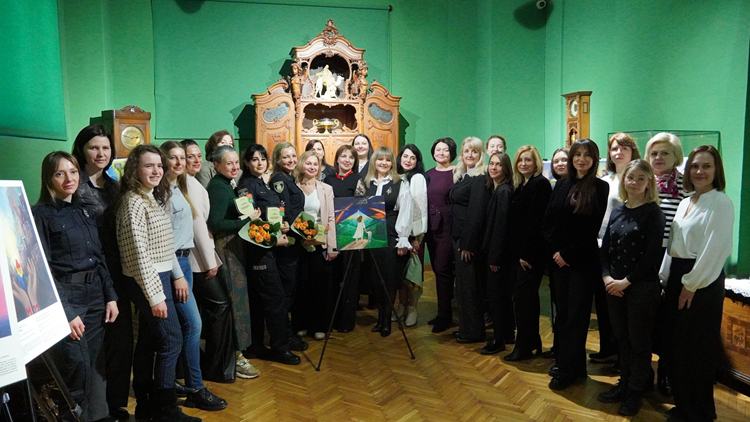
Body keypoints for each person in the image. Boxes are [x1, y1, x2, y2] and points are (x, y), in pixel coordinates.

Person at [115, 145, 200, 422]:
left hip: (160, 276)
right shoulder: (133, 202)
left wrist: (176, 275)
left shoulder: (150, 196)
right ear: (135, 169)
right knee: (172, 340)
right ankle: (166, 410)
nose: (156, 171)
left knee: (149, 341)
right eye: (148, 165)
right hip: (147, 281)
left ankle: (146, 406)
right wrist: (155, 296)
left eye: (159, 166)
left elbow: (165, 246)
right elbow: (138, 255)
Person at [33, 151, 119, 422]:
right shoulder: (41, 215)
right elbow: (43, 270)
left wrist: (111, 296)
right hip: (69, 298)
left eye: (72, 172)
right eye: (60, 173)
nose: (68, 178)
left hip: (96, 296)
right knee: (76, 368)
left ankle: (96, 417)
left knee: (94, 365)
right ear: (49, 178)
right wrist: (67, 313)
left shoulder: (84, 211)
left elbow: (98, 256)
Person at [660, 145, 734, 422]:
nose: (700, 171)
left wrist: (691, 284)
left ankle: (698, 412)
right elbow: (674, 245)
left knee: (696, 349)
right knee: (678, 347)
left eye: (706, 166)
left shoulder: (720, 202)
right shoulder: (686, 202)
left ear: (717, 171)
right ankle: (685, 406)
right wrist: (666, 278)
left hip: (701, 281)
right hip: (679, 276)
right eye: (695, 166)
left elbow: (715, 248)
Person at [70, 124, 131, 421]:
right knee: (97, 345)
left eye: (105, 147)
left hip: (117, 269)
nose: (100, 153)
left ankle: (116, 402)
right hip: (90, 272)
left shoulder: (114, 185)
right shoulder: (74, 185)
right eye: (94, 147)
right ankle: (97, 408)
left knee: (121, 340)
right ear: (82, 150)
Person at [160, 142, 227, 411]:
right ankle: (195, 388)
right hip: (174, 265)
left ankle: (182, 384)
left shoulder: (180, 186)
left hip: (185, 261)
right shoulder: (161, 192)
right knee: (193, 325)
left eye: (182, 158)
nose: (179, 163)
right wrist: (178, 274)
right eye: (173, 158)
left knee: (185, 327)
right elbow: (164, 240)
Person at [597, 159, 665, 416]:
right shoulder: (617, 210)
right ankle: (624, 384)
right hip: (614, 286)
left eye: (640, 178)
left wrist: (626, 281)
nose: (634, 182)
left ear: (649, 183)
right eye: (630, 177)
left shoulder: (653, 213)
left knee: (639, 342)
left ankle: (635, 391)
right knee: (622, 339)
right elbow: (605, 249)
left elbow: (651, 256)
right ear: (624, 180)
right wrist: (606, 277)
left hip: (640, 288)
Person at [544, 139, 609, 391]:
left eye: (587, 155)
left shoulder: (600, 187)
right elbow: (549, 220)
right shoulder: (561, 184)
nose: (581, 159)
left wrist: (567, 253)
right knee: (563, 314)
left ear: (594, 159)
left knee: (576, 317)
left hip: (582, 261)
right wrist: (555, 251)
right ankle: (572, 364)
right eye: (577, 154)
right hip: (558, 261)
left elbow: (590, 228)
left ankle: (568, 370)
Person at [236, 145, 300, 365]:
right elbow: (250, 223)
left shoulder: (263, 183)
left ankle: (256, 346)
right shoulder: (246, 186)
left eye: (262, 159)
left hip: (269, 250)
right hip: (260, 253)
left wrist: (280, 226)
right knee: (275, 300)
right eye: (254, 159)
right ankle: (281, 348)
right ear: (247, 162)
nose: (259, 163)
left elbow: (268, 216)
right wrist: (274, 238)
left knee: (261, 300)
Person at [179, 139, 234, 383]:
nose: (195, 160)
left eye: (197, 155)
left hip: (198, 256)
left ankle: (205, 364)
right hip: (196, 259)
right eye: (188, 156)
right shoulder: (186, 184)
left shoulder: (192, 183)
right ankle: (214, 367)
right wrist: (210, 260)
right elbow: (198, 224)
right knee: (220, 306)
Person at [206, 145, 261, 380]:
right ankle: (235, 357)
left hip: (234, 248)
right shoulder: (218, 187)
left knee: (239, 299)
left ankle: (237, 353)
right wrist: (246, 220)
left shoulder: (226, 184)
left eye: (236, 162)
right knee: (234, 300)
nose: (234, 167)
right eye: (229, 163)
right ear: (217, 165)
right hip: (226, 249)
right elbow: (216, 223)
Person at [645, 132, 688, 396]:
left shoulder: (686, 185)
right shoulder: (642, 180)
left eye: (665, 153)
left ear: (676, 156)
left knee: (669, 320)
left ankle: (666, 372)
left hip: (673, 257)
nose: (659, 157)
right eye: (654, 153)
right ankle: (642, 373)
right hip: (645, 257)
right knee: (645, 318)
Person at [592, 133, 641, 364]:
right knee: (604, 303)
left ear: (632, 152)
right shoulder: (606, 180)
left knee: (623, 307)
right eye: (614, 149)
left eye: (623, 148)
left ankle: (625, 358)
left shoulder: (635, 179)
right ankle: (607, 348)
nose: (618, 152)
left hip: (625, 250)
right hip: (603, 245)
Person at [504, 145, 552, 361]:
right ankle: (531, 340)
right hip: (518, 252)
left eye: (528, 160)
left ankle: (524, 345)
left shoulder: (540, 184)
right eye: (520, 160)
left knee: (524, 299)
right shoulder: (520, 185)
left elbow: (536, 222)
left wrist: (526, 254)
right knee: (525, 299)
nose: (523, 164)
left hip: (530, 254)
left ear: (536, 163)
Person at [363, 147, 413, 337]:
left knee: (389, 279)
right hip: (371, 235)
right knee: (376, 278)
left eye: (388, 160)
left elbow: (405, 210)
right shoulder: (366, 182)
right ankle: (379, 318)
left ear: (392, 163)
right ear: (374, 162)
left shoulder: (400, 183)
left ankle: (387, 320)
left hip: (392, 234)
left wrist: (403, 238)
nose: (384, 163)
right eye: (380, 159)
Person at [293, 151, 338, 340]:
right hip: (298, 243)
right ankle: (300, 324)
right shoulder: (293, 187)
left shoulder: (326, 189)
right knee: (300, 286)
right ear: (301, 165)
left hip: (320, 242)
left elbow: (331, 218)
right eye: (308, 163)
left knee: (320, 287)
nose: (312, 167)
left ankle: (319, 326)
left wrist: (332, 246)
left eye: (315, 164)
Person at [268, 142, 309, 352]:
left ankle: (286, 333)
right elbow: (283, 212)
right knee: (285, 293)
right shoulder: (279, 181)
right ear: (277, 159)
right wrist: (306, 231)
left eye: (293, 156)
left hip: (294, 242)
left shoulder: (289, 178)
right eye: (286, 157)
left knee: (290, 291)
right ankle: (283, 336)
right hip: (286, 243)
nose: (291, 160)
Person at [450, 137, 490, 344]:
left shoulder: (479, 178)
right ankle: (466, 328)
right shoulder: (463, 176)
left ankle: (473, 332)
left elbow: (476, 214)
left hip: (468, 242)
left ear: (481, 154)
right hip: (459, 237)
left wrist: (468, 244)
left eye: (474, 151)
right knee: (463, 288)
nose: (469, 155)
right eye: (466, 151)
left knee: (470, 287)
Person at [323, 145, 366, 333]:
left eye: (351, 157)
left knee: (349, 278)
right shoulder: (328, 179)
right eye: (344, 156)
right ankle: (331, 320)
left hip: (349, 234)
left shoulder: (358, 180)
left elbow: (361, 208)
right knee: (332, 278)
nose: (347, 160)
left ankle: (346, 321)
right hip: (330, 234)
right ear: (337, 159)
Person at [480, 152, 513, 355]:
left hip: (497, 255)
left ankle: (499, 338)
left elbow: (501, 227)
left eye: (498, 165)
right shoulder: (498, 189)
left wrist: (494, 256)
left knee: (497, 298)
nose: (493, 167)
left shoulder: (503, 191)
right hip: (496, 253)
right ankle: (506, 333)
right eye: (491, 163)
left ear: (506, 168)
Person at [425, 138, 457, 333]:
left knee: (443, 269)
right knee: (437, 270)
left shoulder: (457, 172)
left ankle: (446, 317)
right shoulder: (428, 174)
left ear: (451, 152)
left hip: (448, 226)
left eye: (445, 150)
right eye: (438, 150)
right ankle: (442, 313)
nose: (441, 153)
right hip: (431, 226)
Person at [395, 144, 428, 327]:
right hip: (399, 231)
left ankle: (412, 308)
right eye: (405, 156)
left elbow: (419, 210)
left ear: (417, 161)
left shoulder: (417, 178)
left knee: (412, 273)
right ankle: (401, 305)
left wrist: (416, 237)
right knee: (400, 273)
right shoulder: (397, 177)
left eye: (412, 157)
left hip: (413, 234)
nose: (408, 160)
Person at [544, 147, 569, 360]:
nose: (560, 164)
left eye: (564, 160)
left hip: (569, 256)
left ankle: (564, 350)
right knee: (558, 304)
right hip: (554, 254)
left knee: (567, 307)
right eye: (556, 161)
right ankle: (558, 346)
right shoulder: (556, 186)